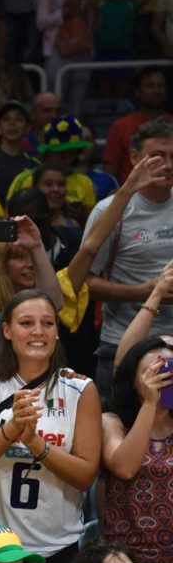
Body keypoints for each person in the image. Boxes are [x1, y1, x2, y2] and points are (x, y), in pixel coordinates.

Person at [0, 290, 100, 563]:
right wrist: (10, 431)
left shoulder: (80, 389)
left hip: (57, 547)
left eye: (47, 323)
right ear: (7, 330)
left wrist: (37, 444)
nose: (38, 331)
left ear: (57, 332)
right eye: (26, 323)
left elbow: (86, 475)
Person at [86, 118, 173, 387]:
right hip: (124, 345)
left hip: (172, 346)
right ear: (135, 158)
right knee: (120, 414)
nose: (168, 165)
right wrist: (143, 291)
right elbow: (83, 284)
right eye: (158, 156)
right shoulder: (110, 211)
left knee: (166, 415)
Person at [101, 337, 173, 563]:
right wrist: (151, 404)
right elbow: (125, 467)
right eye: (152, 371)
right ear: (132, 379)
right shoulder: (112, 421)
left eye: (167, 369)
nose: (161, 378)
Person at [104, 67, 173, 183]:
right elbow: (110, 174)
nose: (156, 91)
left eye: (160, 86)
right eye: (150, 86)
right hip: (132, 192)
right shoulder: (120, 126)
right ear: (138, 92)